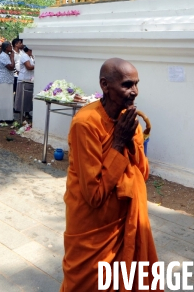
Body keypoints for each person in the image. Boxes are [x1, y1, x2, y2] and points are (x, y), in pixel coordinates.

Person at [60, 58, 158, 292]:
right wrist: (118, 143)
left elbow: (141, 173)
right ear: (105, 85)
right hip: (94, 228)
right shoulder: (86, 123)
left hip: (126, 222)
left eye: (136, 84)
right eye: (127, 85)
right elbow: (94, 195)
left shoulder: (129, 122)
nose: (134, 92)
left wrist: (130, 143)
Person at [15, 46, 34, 119]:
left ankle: (27, 113)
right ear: (29, 50)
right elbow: (29, 67)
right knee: (22, 98)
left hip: (29, 79)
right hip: (23, 80)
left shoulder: (30, 57)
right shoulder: (24, 56)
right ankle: (21, 114)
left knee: (28, 98)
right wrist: (39, 65)